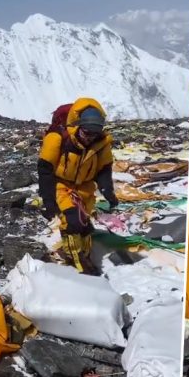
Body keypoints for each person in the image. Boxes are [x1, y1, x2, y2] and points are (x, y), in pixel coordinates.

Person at [37, 99, 119, 274]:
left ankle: (86, 256)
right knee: (72, 220)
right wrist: (48, 201)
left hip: (85, 187)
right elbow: (45, 171)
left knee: (84, 223)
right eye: (87, 133)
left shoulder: (101, 144)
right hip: (61, 184)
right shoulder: (57, 138)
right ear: (78, 125)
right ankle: (77, 265)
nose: (90, 138)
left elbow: (104, 170)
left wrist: (109, 193)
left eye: (94, 134)